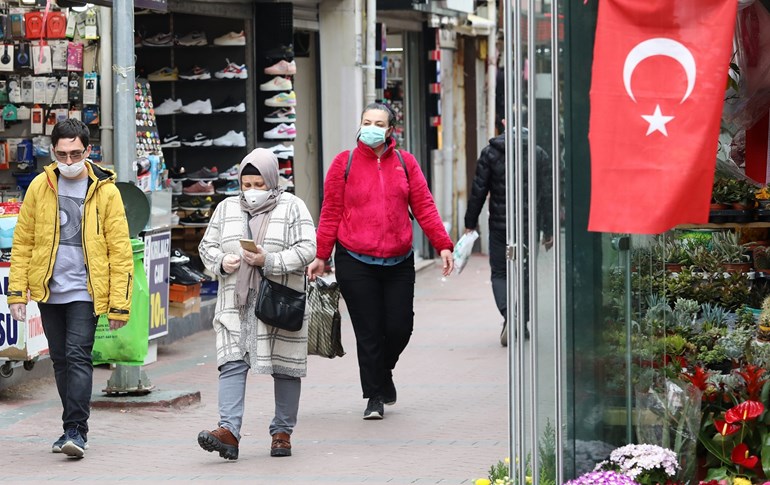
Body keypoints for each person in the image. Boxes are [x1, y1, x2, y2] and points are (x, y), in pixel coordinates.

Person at [307, 102, 454, 420]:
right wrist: (322, 255)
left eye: (378, 122)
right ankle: (374, 395)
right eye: (366, 121)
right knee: (369, 330)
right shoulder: (342, 163)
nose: (370, 127)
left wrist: (442, 244)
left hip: (399, 260)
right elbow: (330, 210)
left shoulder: (405, 162)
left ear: (390, 130)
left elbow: (425, 206)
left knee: (401, 327)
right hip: (354, 259)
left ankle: (383, 372)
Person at [8, 118, 133, 458]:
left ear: (88, 151)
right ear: (53, 152)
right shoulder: (39, 186)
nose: (68, 161)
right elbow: (23, 242)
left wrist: (119, 305)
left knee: (78, 356)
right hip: (49, 290)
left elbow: (120, 251)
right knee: (61, 360)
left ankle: (75, 429)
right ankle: (70, 427)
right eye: (62, 154)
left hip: (85, 291)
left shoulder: (106, 191)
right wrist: (17, 292)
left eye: (75, 153)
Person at [197, 148, 316, 460]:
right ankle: (228, 432)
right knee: (232, 363)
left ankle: (282, 432)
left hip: (280, 301)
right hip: (235, 303)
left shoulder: (293, 206)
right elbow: (206, 246)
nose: (252, 191)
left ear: (273, 181)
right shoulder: (225, 208)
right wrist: (223, 261)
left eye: (259, 184)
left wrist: (270, 260)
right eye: (246, 184)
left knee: (286, 367)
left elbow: (308, 248)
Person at [464, 122, 552, 347]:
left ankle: (507, 315)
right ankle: (520, 321)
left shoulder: (490, 152)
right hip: (527, 227)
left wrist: (470, 223)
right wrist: (548, 229)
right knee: (526, 274)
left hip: (500, 227)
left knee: (500, 272)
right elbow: (547, 193)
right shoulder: (538, 153)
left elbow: (478, 190)